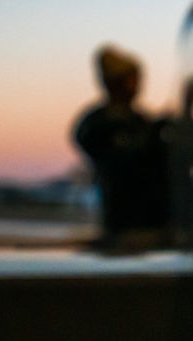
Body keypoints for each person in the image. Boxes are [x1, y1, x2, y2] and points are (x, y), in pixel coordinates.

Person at [72, 46, 168, 241]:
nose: (138, 85)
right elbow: (123, 156)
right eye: (132, 79)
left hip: (153, 223)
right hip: (124, 225)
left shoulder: (140, 120)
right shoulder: (99, 123)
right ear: (116, 83)